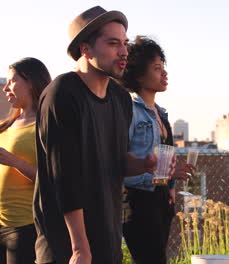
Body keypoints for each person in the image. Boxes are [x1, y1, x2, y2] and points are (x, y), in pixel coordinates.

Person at [33, 6, 156, 264]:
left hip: (107, 242)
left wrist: (144, 165)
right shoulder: (62, 93)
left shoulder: (120, 98)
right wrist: (80, 248)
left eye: (125, 43)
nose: (124, 51)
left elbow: (115, 161)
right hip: (68, 248)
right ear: (85, 49)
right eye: (113, 43)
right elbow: (63, 178)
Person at [121, 36, 193, 264]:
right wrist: (164, 175)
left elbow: (165, 160)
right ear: (139, 75)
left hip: (161, 201)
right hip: (138, 200)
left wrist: (171, 185)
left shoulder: (160, 114)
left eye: (164, 67)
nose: (164, 74)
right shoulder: (130, 110)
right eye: (157, 68)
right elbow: (119, 159)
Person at [0, 58, 50, 264]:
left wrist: (14, 161)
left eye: (12, 81)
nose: (5, 88)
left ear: (31, 82)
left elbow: (52, 179)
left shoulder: (45, 126)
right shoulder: (5, 125)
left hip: (24, 226)